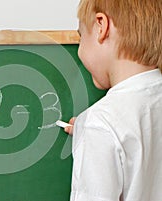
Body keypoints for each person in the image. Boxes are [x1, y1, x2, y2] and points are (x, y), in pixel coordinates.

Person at [64, 0, 162, 200]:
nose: (79, 49)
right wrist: (96, 134)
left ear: (101, 26)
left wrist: (97, 133)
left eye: (81, 36)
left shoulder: (101, 123)